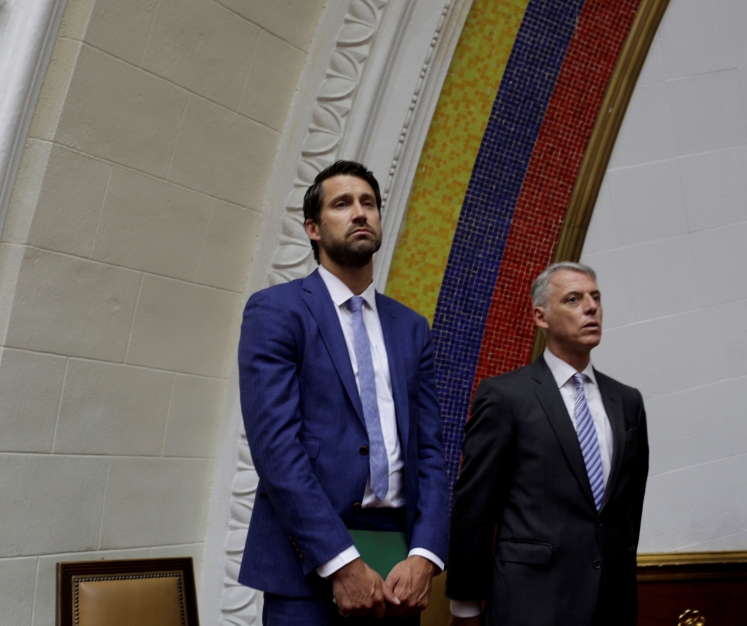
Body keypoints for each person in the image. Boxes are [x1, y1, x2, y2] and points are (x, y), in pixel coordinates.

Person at [237, 160, 450, 625]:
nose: (360, 213)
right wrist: (341, 561)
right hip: (308, 568)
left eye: (368, 203)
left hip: (399, 570)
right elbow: (276, 450)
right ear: (313, 228)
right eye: (343, 204)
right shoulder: (277, 311)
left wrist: (426, 554)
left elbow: (429, 452)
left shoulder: (412, 328)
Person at [446, 262, 649, 626]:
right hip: (529, 602)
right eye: (574, 299)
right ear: (541, 317)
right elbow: (474, 507)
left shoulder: (627, 402)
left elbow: (629, 511)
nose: (591, 308)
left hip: (611, 604)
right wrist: (465, 605)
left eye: (595, 298)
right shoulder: (505, 396)